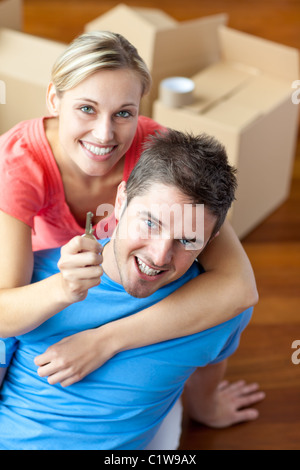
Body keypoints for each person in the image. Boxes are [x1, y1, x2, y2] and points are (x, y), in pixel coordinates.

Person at [0, 31, 258, 383]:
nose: (104, 135)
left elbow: (239, 287)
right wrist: (62, 287)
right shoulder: (17, 164)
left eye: (123, 113)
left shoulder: (156, 151)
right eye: (86, 109)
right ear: (54, 100)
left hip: (130, 283)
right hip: (51, 283)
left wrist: (106, 341)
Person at [0, 130, 264, 450]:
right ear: (121, 201)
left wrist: (206, 409)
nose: (159, 256)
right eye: (150, 223)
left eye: (187, 239)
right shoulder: (33, 280)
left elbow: (211, 356)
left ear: (212, 238)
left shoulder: (218, 312)